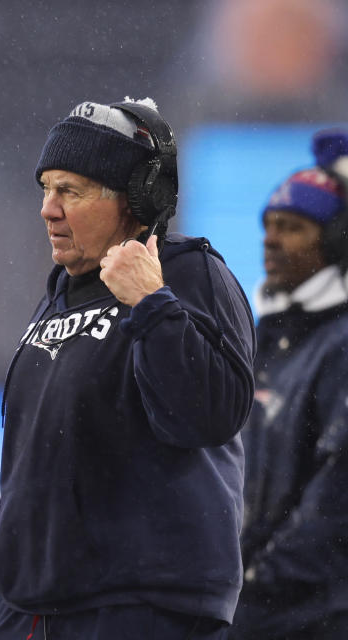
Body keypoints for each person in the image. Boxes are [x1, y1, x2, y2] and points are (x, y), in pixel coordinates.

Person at [0, 98, 256, 639]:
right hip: (32, 611)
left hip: (138, 607)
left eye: (71, 191)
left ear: (137, 199)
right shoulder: (58, 296)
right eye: (46, 188)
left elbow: (208, 415)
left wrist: (153, 302)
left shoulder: (188, 273)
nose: (48, 208)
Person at [230, 130, 348, 640]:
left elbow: (334, 503)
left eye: (292, 227)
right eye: (268, 225)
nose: (270, 239)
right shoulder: (258, 341)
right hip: (253, 615)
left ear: (335, 240)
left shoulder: (340, 345)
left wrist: (250, 582)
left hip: (313, 619)